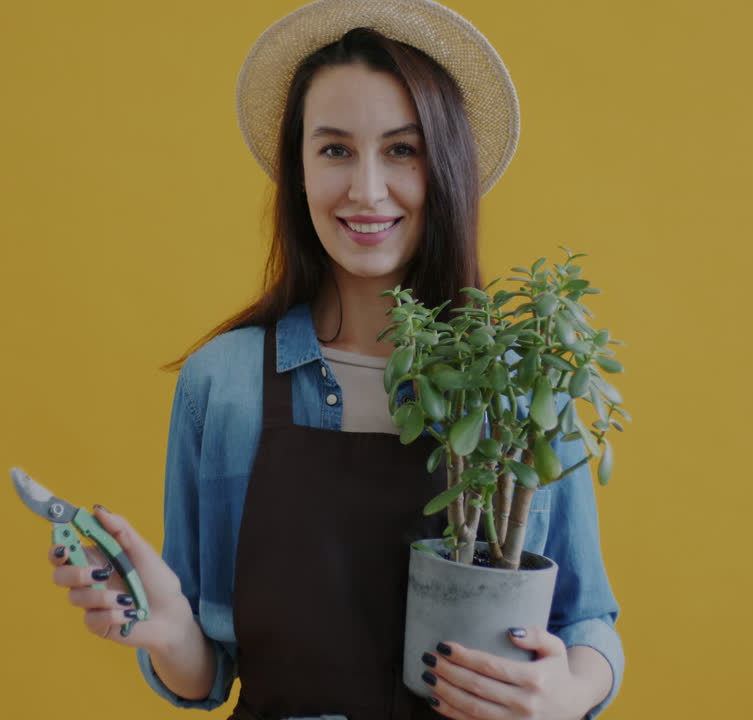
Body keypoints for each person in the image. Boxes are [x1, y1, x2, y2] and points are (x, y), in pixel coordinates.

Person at [46, 1, 622, 718]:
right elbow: (206, 674)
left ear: (443, 165)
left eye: (402, 150)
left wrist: (569, 693)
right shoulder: (222, 386)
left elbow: (587, 619)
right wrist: (167, 630)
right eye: (335, 149)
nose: (367, 189)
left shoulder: (523, 383)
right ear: (298, 170)